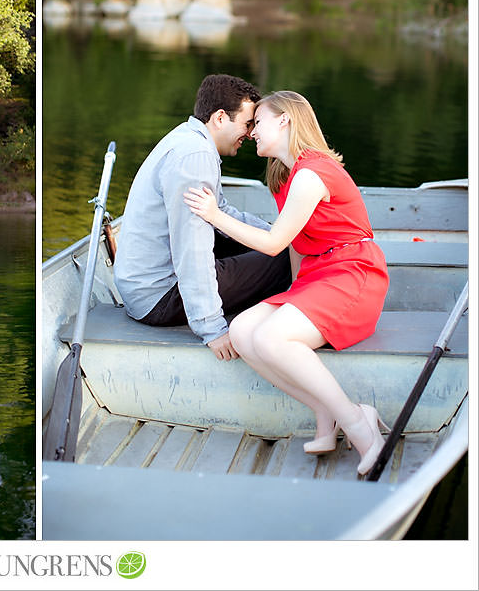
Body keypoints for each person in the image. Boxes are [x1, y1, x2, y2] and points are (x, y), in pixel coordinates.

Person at [184, 90, 390, 475]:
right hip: (319, 276)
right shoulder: (285, 175)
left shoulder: (313, 173)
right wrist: (295, 294)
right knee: (244, 331)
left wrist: (214, 214)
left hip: (354, 273)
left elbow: (275, 242)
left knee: (270, 338)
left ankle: (359, 424)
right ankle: (324, 412)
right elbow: (296, 246)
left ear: (285, 120)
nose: (251, 132)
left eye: (257, 122)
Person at [113, 74, 291, 362]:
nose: (249, 134)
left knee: (278, 244)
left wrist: (278, 233)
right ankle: (293, 322)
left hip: (147, 284)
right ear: (220, 117)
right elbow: (191, 249)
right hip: (158, 297)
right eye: (247, 123)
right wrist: (212, 328)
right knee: (284, 260)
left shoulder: (189, 139)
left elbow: (221, 214)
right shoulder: (194, 155)